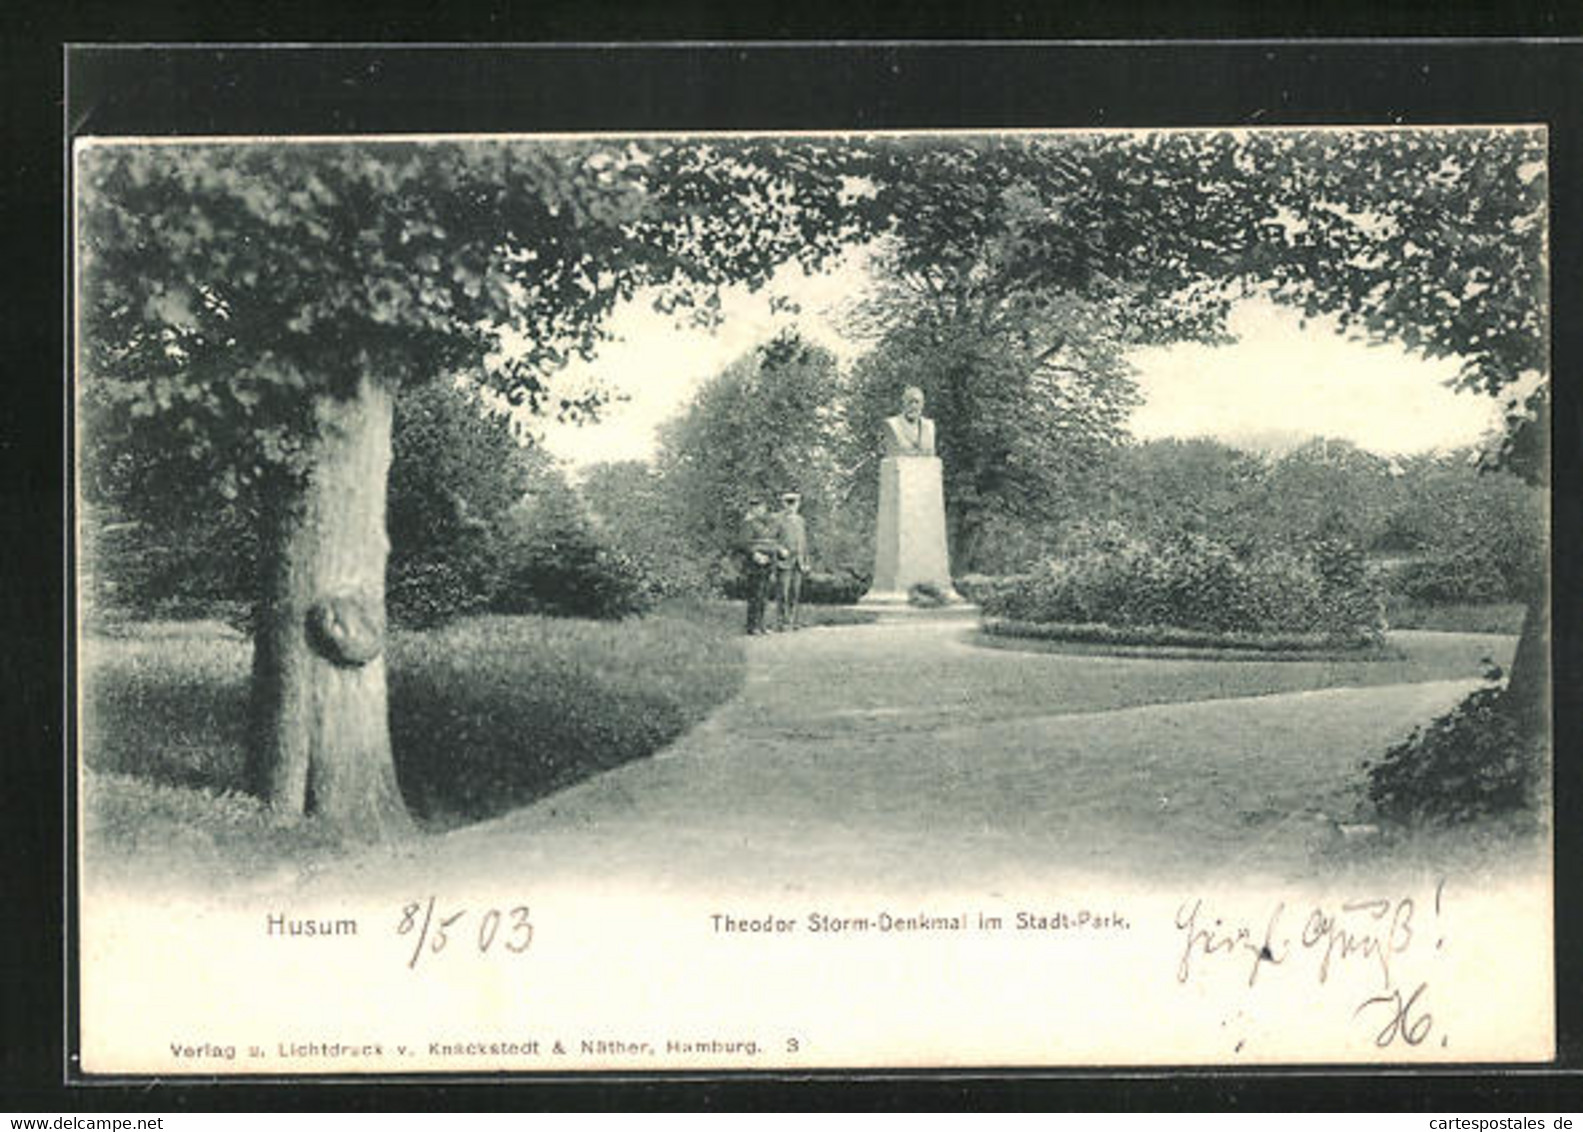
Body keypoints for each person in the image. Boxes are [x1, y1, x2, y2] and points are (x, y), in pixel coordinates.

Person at [739, 497, 779, 636]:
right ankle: (752, 626)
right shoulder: (748, 523)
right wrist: (755, 555)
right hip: (754, 564)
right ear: (752, 509)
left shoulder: (764, 523)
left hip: (767, 563)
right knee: (755, 596)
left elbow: (770, 541)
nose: (759, 510)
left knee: (764, 595)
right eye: (755, 507)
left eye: (761, 507)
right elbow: (743, 544)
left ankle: (761, 625)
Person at [773, 490, 810, 631]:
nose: (791, 506)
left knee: (795, 592)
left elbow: (804, 542)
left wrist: (806, 561)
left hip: (798, 562)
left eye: (794, 503)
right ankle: (781, 622)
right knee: (783, 592)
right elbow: (772, 539)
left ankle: (793, 621)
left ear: (799, 504)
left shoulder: (801, 520)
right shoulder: (777, 519)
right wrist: (780, 549)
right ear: (783, 504)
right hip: (784, 561)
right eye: (788, 503)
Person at [881, 385, 936, 457]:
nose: (913, 406)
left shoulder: (929, 426)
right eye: (910, 402)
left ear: (922, 404)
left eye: (917, 402)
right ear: (903, 403)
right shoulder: (893, 424)